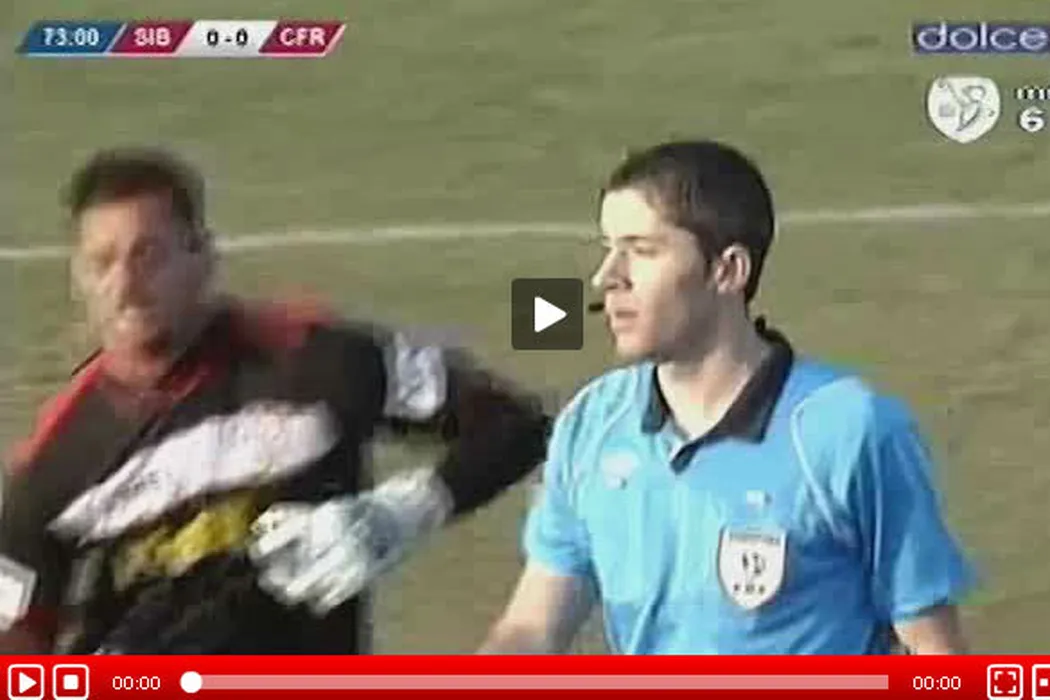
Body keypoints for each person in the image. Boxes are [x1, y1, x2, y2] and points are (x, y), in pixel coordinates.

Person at [0, 147, 550, 654]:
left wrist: (401, 513)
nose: (125, 285)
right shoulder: (52, 465)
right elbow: (12, 629)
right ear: (78, 278)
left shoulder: (317, 360)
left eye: (148, 256)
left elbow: (513, 423)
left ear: (202, 255)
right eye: (102, 263)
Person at [477, 139, 976, 654]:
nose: (607, 278)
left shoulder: (849, 432)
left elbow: (936, 655)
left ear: (728, 271)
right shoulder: (594, 423)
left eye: (642, 251)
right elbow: (533, 629)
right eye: (609, 248)